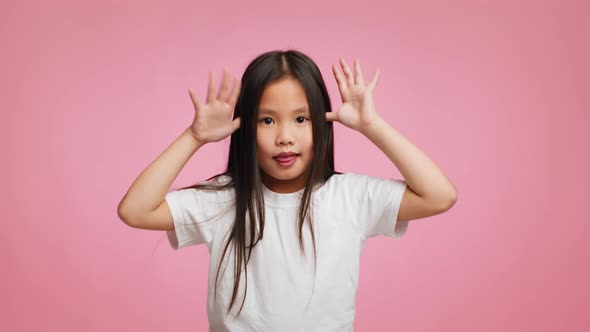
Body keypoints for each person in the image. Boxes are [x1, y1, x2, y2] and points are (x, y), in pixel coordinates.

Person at [117, 49, 458, 331]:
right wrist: (194, 137)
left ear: (323, 123)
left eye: (301, 119)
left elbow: (439, 196)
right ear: (244, 128)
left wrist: (373, 126)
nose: (285, 136)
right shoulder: (224, 198)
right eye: (267, 120)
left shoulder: (349, 197)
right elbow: (135, 210)